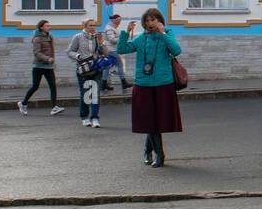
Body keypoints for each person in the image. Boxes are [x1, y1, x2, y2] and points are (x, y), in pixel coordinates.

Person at [118, 9, 183, 168]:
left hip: (163, 83)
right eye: (146, 21)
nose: (149, 23)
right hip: (143, 84)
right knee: (149, 119)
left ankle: (147, 149)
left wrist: (162, 34)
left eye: (152, 20)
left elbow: (176, 50)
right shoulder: (141, 38)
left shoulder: (167, 34)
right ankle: (159, 154)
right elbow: (122, 49)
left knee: (157, 120)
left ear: (159, 21)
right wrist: (125, 33)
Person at [18, 20, 64, 116]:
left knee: (53, 85)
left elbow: (51, 50)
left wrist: (52, 60)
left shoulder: (49, 36)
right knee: (35, 86)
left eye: (49, 25)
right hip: (38, 66)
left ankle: (54, 107)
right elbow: (37, 53)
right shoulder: (37, 38)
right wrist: (48, 59)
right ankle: (23, 103)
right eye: (47, 26)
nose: (49, 27)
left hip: (48, 66)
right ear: (41, 27)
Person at [67, 18, 105, 128]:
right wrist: (78, 56)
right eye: (91, 25)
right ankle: (84, 117)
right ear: (85, 26)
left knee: (95, 94)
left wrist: (102, 43)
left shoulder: (97, 38)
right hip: (83, 70)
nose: (93, 28)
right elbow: (69, 52)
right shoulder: (78, 37)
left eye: (94, 25)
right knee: (86, 94)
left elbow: (104, 53)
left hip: (96, 69)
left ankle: (95, 118)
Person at [101, 14, 131, 93]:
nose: (120, 22)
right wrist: (122, 38)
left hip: (109, 50)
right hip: (111, 50)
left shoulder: (112, 27)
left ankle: (103, 84)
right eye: (118, 20)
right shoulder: (109, 28)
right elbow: (112, 40)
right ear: (114, 20)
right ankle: (124, 83)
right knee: (120, 65)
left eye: (120, 20)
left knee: (107, 67)